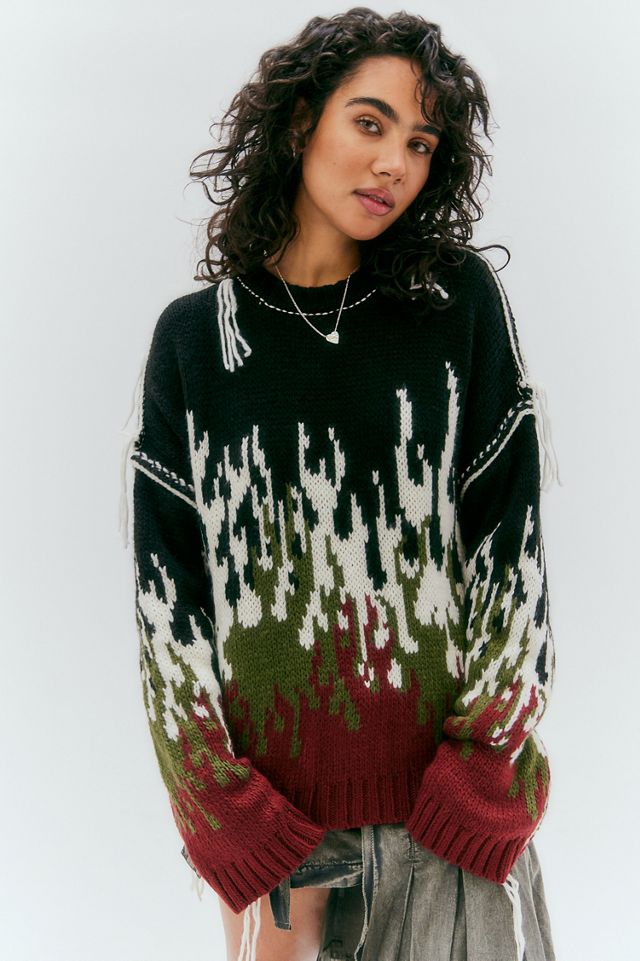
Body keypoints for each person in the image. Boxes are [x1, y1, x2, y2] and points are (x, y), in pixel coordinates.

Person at [119, 7, 562, 961]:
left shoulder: (454, 306)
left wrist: (479, 779)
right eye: (370, 123)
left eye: (420, 143)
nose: (395, 162)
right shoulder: (196, 341)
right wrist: (229, 818)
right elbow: (168, 609)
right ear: (298, 123)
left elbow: (511, 550)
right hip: (280, 850)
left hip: (449, 834)